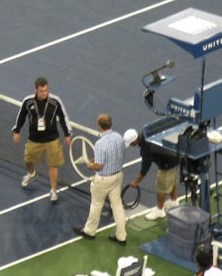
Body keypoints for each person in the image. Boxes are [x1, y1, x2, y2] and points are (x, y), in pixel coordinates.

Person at [12, 77, 72, 203]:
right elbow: (21, 116)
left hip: (52, 140)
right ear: (36, 90)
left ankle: (54, 190)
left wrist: (67, 134)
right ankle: (32, 174)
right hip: (34, 139)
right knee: (28, 161)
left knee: (53, 165)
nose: (44, 93)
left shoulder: (55, 102)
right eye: (41, 91)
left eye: (46, 90)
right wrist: (17, 131)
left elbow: (63, 117)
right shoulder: (28, 101)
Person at [73, 114, 127, 245]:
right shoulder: (119, 138)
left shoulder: (100, 143)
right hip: (118, 176)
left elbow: (99, 166)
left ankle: (89, 231)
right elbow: (118, 155)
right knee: (117, 205)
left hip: (103, 179)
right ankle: (121, 236)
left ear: (99, 126)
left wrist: (91, 165)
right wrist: (97, 161)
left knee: (96, 204)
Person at [124, 128, 180, 220]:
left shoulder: (146, 149)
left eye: (131, 143)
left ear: (135, 140)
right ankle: (174, 200)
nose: (130, 145)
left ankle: (160, 210)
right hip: (175, 157)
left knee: (161, 188)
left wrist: (136, 182)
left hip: (167, 165)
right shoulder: (147, 133)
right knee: (172, 179)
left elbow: (145, 168)